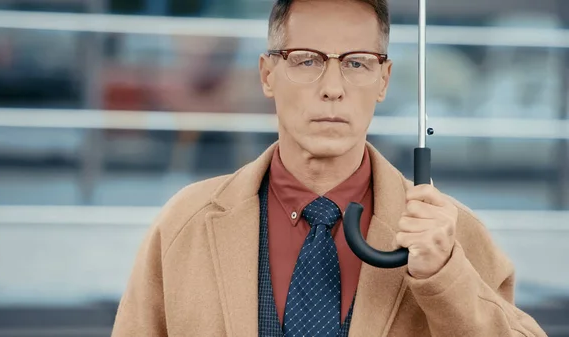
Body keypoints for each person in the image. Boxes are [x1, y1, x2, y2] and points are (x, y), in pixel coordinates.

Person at [110, 0, 547, 336]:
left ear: (384, 80)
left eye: (357, 62)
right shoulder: (184, 224)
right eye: (306, 59)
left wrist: (444, 275)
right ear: (267, 75)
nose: (333, 89)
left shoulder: (450, 235)